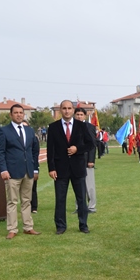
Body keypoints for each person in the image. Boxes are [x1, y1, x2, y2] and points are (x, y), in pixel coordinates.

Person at [46, 100, 94, 234]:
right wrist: (51, 168)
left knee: (81, 198)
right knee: (60, 199)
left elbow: (90, 144)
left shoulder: (81, 126)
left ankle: (83, 225)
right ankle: (60, 226)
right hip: (60, 169)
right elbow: (50, 149)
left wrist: (77, 149)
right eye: (64, 108)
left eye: (69, 108)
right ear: (60, 110)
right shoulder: (53, 127)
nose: (67, 111)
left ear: (73, 110)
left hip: (78, 168)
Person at [0, 104, 40, 239]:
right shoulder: (4, 131)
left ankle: (28, 227)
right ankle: (12, 229)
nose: (19, 115)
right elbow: (0, 152)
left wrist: (35, 169)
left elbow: (34, 151)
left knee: (27, 201)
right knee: (12, 201)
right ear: (11, 115)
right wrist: (3, 170)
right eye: (16, 112)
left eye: (21, 112)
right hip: (12, 172)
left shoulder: (30, 131)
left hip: (28, 171)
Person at [74, 108, 98, 213]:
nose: (79, 116)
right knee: (78, 185)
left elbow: (92, 145)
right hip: (75, 161)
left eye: (81, 114)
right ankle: (79, 207)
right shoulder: (72, 127)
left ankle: (91, 206)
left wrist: (91, 160)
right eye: (77, 114)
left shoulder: (89, 127)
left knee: (89, 185)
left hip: (87, 161)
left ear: (84, 116)